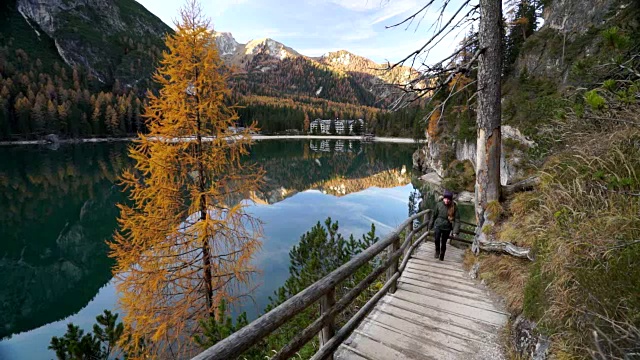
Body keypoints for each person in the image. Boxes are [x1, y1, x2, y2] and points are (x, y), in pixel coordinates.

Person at [428, 190, 460, 261]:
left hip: (447, 227)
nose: (447, 200)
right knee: (436, 239)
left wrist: (455, 231)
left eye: (448, 199)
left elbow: (457, 220)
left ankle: (442, 254)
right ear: (443, 198)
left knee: (444, 242)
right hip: (438, 225)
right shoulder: (439, 204)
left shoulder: (454, 207)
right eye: (445, 198)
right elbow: (434, 216)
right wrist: (430, 226)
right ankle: (437, 251)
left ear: (451, 199)